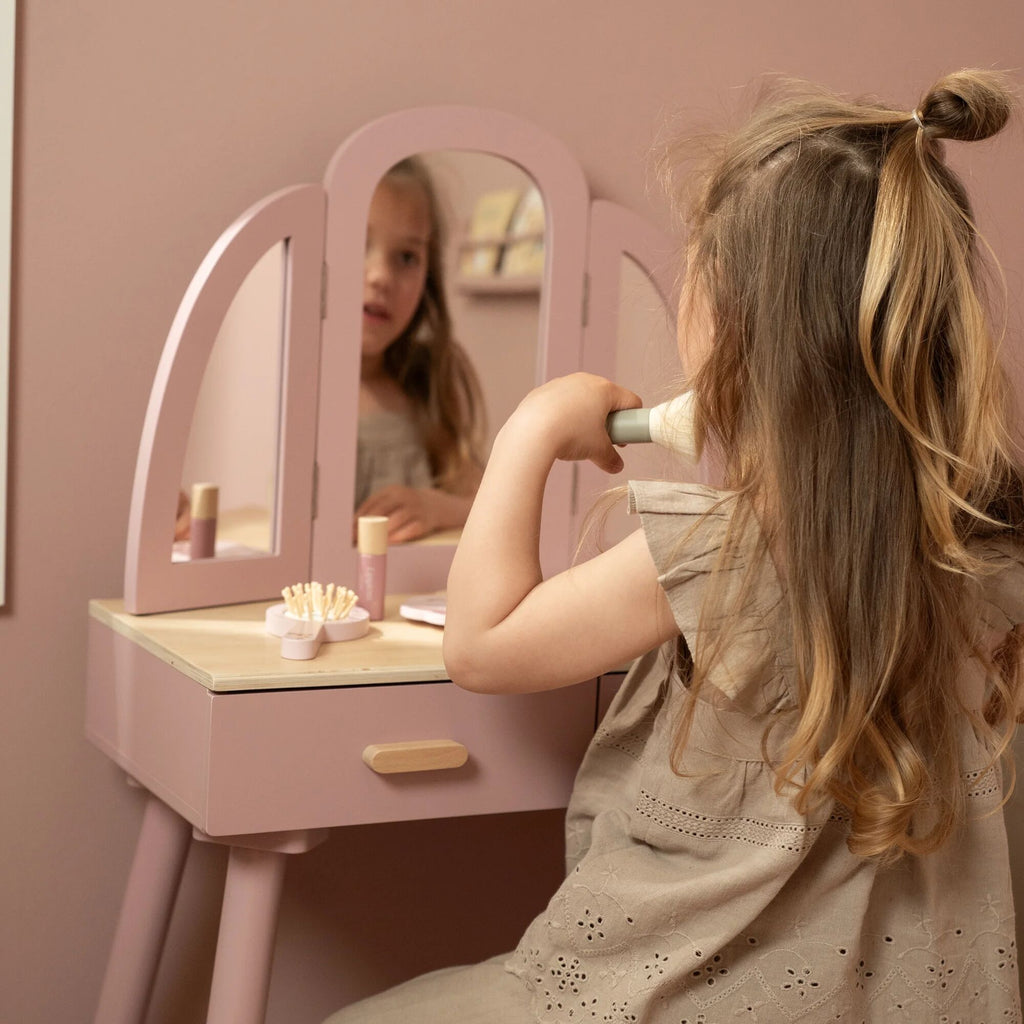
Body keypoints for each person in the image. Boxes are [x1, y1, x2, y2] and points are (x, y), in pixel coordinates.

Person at [324, 70, 1024, 1022]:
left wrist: (530, 430)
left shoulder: (719, 551)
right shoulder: (991, 550)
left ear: (735, 332)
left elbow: (481, 646)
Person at [355, 157, 486, 543]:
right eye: (357, 244)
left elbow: (486, 501)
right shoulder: (291, 382)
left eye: (407, 257)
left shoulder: (428, 376)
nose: (380, 276)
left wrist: (437, 508)